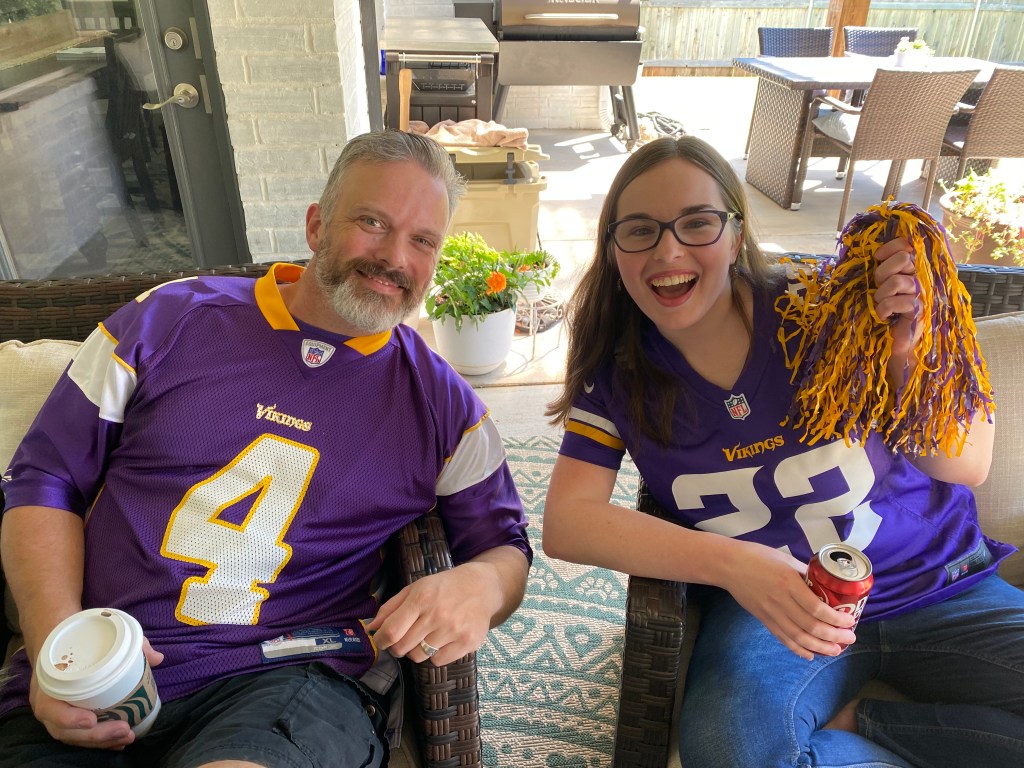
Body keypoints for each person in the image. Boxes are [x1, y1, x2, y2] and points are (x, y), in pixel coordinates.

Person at [0, 130, 532, 768]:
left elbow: (506, 546)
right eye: (372, 222)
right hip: (102, 663)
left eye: (423, 241)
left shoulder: (444, 407)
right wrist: (59, 647)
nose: (394, 257)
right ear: (316, 226)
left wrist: (479, 584)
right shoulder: (167, 320)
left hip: (289, 678)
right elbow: (44, 478)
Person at [542, 135, 1024, 768]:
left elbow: (964, 466)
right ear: (612, 250)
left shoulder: (829, 305)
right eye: (639, 230)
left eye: (697, 224)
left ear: (737, 234)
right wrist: (738, 568)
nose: (668, 250)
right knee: (731, 751)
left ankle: (875, 726)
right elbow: (567, 522)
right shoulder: (618, 374)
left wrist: (906, 355)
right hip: (779, 612)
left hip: (942, 581)